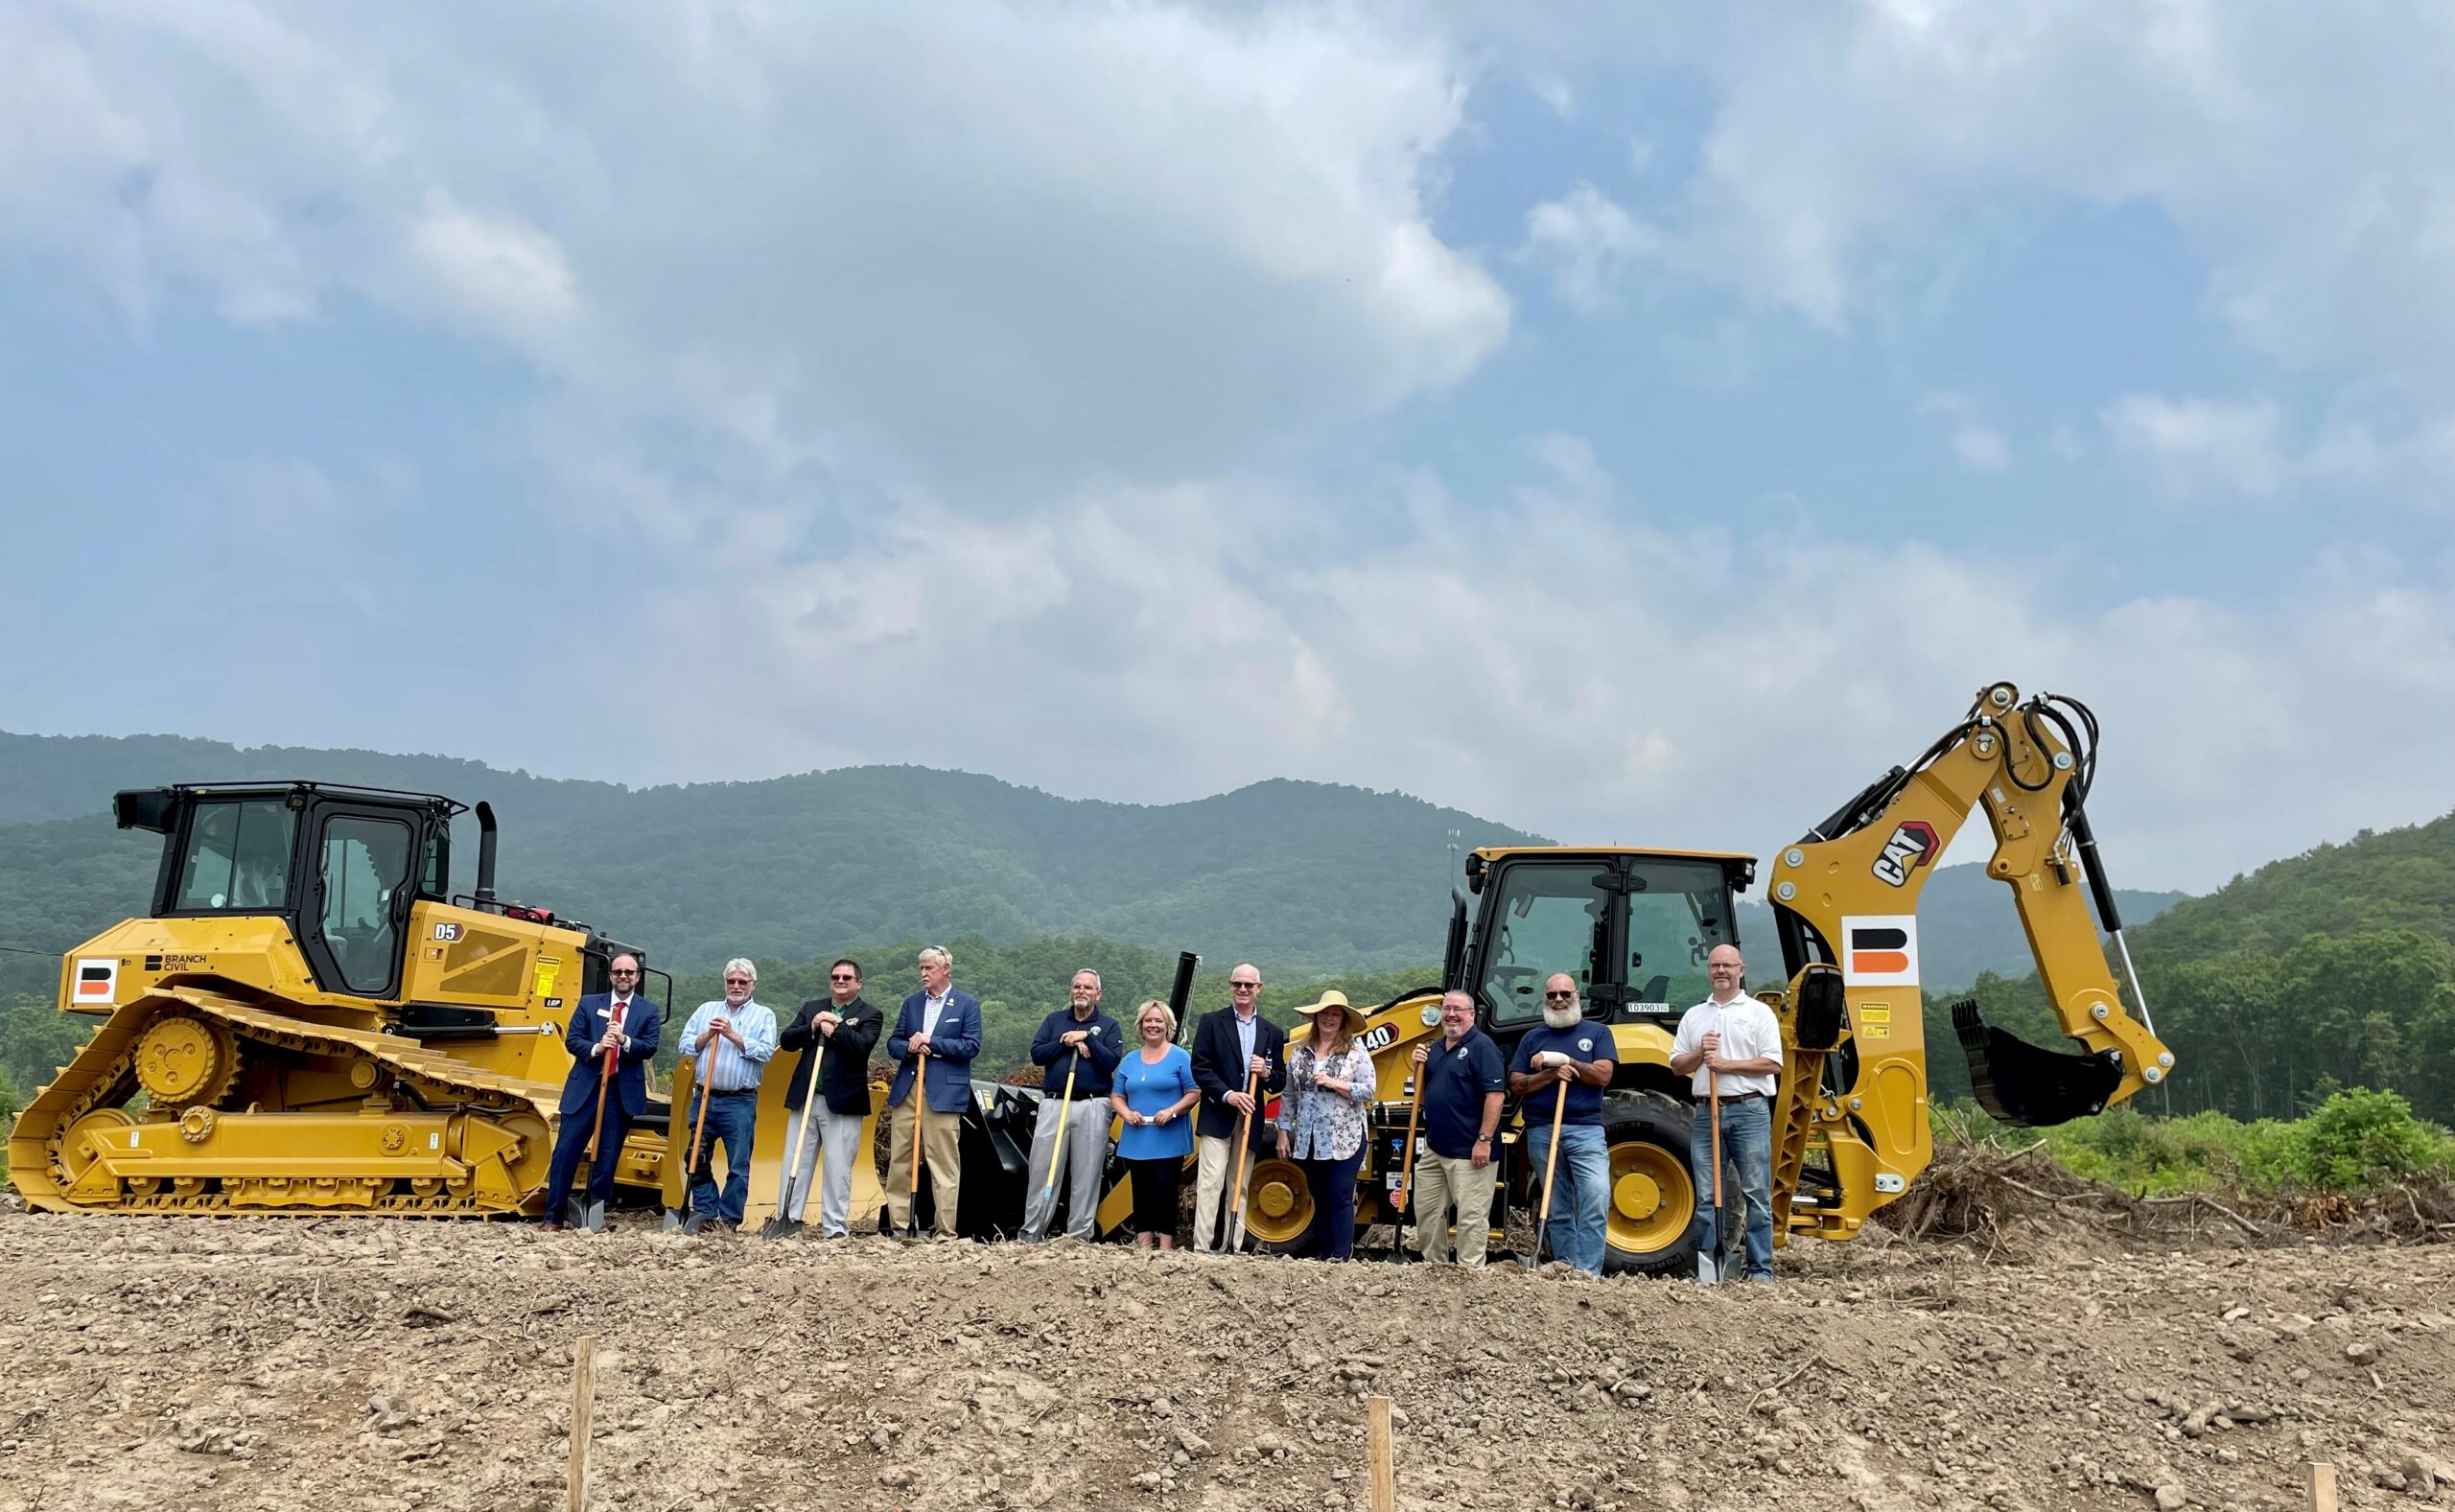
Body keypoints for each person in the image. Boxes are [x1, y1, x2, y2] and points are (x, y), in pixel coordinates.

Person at [1669, 943, 1783, 1283]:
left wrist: (1725, 1064)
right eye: (1715, 965)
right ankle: (1709, 1266)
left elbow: (1773, 1062)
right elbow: (1676, 1065)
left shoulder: (1758, 1013)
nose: (1721, 971)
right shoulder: (1694, 1016)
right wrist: (1700, 1056)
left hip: (1748, 1110)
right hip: (1706, 1112)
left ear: (1741, 970)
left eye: (1727, 966)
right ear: (1709, 970)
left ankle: (1761, 1269)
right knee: (1707, 1193)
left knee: (1756, 1192)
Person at [1507, 972, 1618, 1275]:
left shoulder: (1597, 1034)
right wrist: (1551, 1075)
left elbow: (1603, 1075)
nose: (1558, 999)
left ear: (1577, 996)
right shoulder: (1532, 1038)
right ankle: (1564, 1266)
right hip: (1543, 1129)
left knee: (1595, 1196)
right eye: (1552, 995)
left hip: (1586, 1130)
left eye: (1565, 994)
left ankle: (1586, 1271)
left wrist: (1563, 1060)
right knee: (1556, 1205)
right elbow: (1516, 1084)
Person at [541, 953, 662, 1231]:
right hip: (585, 1089)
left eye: (629, 972)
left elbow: (650, 1046)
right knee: (565, 1152)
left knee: (607, 1157)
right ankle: (553, 1216)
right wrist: (598, 1047)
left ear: (637, 977)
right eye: (618, 971)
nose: (623, 976)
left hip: (620, 1092)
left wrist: (624, 1040)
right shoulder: (588, 1003)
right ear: (610, 975)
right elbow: (573, 1041)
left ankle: (594, 1215)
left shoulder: (648, 1011)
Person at [776, 957, 883, 1237]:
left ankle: (834, 1226)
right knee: (795, 1160)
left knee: (838, 1167)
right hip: (806, 1098)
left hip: (844, 1103)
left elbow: (862, 1046)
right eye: (836, 976)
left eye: (847, 978)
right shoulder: (812, 1008)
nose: (840, 981)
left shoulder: (871, 1014)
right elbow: (787, 1041)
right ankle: (788, 1219)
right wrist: (812, 1026)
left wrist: (835, 1028)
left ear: (858, 983)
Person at [675, 958, 780, 1233]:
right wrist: (708, 1034)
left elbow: (766, 1052)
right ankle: (707, 1213)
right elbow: (685, 1045)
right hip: (704, 1097)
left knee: (738, 1165)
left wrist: (732, 1035)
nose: (736, 986)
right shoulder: (706, 1010)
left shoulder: (764, 1015)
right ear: (725, 983)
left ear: (752, 985)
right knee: (695, 1157)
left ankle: (729, 1220)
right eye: (731, 981)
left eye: (742, 982)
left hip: (740, 1101)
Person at [884, 944, 982, 1238]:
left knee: (943, 1163)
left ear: (946, 969)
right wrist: (910, 1046)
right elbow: (894, 1043)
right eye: (921, 968)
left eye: (929, 968)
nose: (923, 973)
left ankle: (945, 1231)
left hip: (943, 1094)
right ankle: (899, 1226)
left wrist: (933, 1043)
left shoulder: (966, 1004)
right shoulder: (912, 1003)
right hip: (908, 1089)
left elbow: (971, 1046)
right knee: (900, 1158)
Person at [1021, 969, 1126, 1242]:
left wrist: (1087, 1038)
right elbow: (1037, 1054)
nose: (1082, 991)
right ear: (1071, 991)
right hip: (1055, 1103)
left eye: (1088, 987)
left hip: (1093, 1105)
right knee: (1044, 1170)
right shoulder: (1054, 1020)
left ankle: (1078, 1237)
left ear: (1098, 994)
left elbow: (1111, 1061)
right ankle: (1033, 1232)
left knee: (1087, 1173)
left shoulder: (1109, 1025)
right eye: (1077, 986)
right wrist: (1065, 1040)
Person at [1189, 963, 1288, 1251]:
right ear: (1230, 986)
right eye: (1237, 984)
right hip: (1218, 1113)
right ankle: (1202, 1249)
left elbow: (1279, 1080)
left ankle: (1233, 1246)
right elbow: (1200, 1067)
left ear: (1259, 988)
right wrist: (1228, 1094)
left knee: (1240, 1185)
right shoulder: (1211, 1021)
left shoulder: (1272, 1031)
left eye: (1248, 985)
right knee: (1210, 1183)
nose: (1242, 989)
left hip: (1249, 1119)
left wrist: (1267, 1073)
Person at [1274, 990, 1376, 1261]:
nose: (1329, 1019)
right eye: (1325, 1014)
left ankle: (1342, 1257)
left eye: (1335, 1015)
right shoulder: (1299, 1052)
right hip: (1308, 1138)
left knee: (1340, 1195)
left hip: (1346, 1137)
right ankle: (1325, 1254)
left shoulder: (1356, 1051)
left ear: (1343, 1020)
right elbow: (1288, 1095)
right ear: (1316, 1017)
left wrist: (1336, 1084)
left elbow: (1368, 1091)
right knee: (1318, 1195)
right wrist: (1284, 1131)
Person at [1405, 989, 1505, 1265]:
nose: (1451, 1014)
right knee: (1426, 1211)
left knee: (1471, 1217)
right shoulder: (1435, 1048)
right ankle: (1435, 1269)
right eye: (1447, 1008)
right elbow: (1422, 1098)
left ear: (1471, 1014)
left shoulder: (1483, 1048)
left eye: (1458, 1009)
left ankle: (1470, 1274)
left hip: (1470, 1151)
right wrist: (1417, 1068)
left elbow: (1495, 1097)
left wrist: (1484, 1140)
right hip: (1436, 1148)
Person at [1110, 999, 1200, 1249]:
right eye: (1148, 1020)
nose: (1153, 1025)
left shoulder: (1180, 1057)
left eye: (1158, 1021)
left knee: (1165, 1190)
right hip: (1137, 1137)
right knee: (1141, 1191)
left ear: (1167, 1025)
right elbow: (1116, 1095)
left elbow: (1193, 1093)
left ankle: (1166, 1247)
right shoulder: (1129, 1059)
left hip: (1169, 1137)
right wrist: (1126, 1113)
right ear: (1141, 1025)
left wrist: (1171, 1111)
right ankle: (1144, 1243)